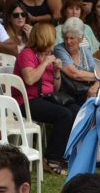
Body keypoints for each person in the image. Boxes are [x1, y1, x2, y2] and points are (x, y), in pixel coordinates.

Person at [15, 21, 76, 175]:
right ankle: (51, 159)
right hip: (27, 101)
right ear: (44, 38)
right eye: (53, 37)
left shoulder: (48, 55)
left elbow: (55, 88)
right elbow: (29, 79)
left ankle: (67, 154)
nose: (55, 42)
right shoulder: (27, 54)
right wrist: (45, 63)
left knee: (76, 110)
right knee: (64, 115)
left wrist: (56, 72)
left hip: (46, 97)